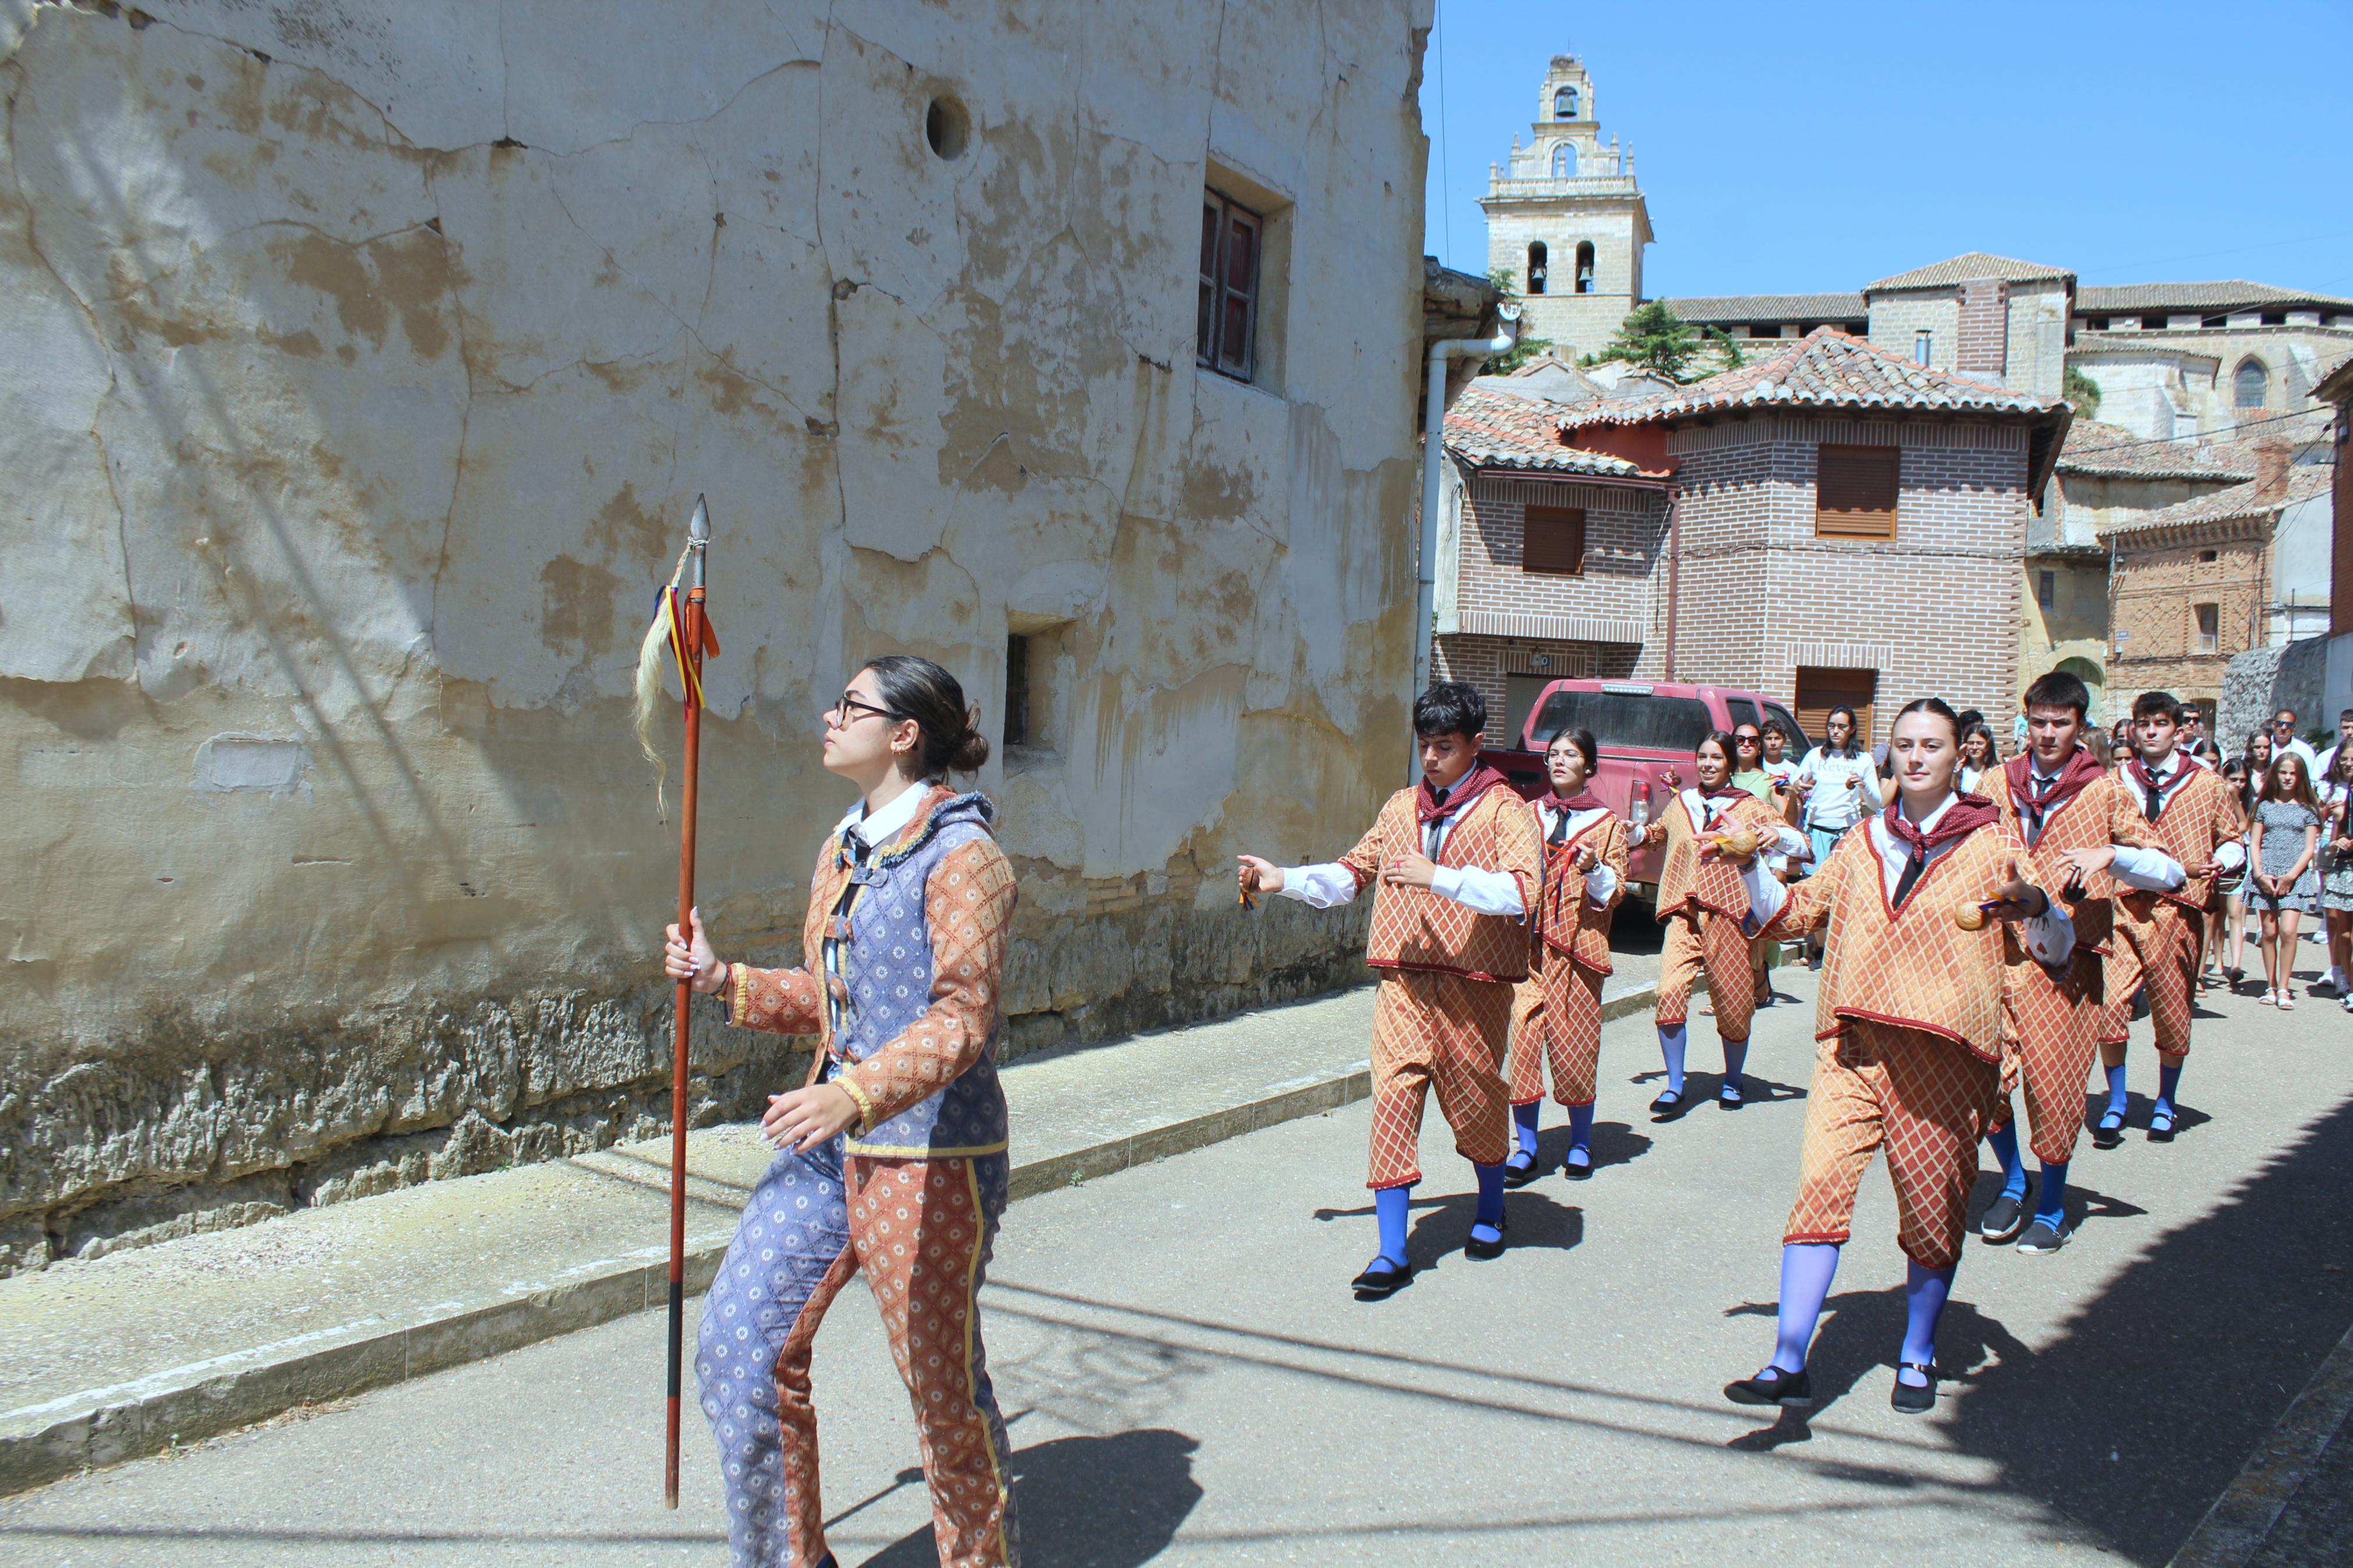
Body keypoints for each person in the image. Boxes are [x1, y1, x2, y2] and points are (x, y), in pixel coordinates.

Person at [665, 655, 1018, 1568]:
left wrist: (851, 1091)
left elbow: (960, 1017)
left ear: (904, 734)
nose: (829, 716)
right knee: (739, 1350)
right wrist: (724, 980)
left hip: (932, 1153)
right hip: (830, 1148)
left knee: (941, 1394)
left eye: (850, 705)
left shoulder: (964, 856)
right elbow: (839, 999)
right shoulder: (844, 845)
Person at [1722, 698, 2072, 1415]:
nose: (1914, 756)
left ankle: (1916, 1349)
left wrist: (2037, 905)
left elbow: (2053, 949)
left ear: (1958, 757)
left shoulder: (1993, 844)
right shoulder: (1858, 841)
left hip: (1943, 1057)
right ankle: (1787, 1358)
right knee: (1819, 1184)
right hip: (1852, 1046)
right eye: (1904, 744)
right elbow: (1790, 916)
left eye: (1931, 745)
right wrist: (1748, 862)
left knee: (1931, 1207)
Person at [1237, 682, 1542, 1297]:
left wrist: (1442, 878)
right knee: (1392, 1102)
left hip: (1473, 986)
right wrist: (1283, 879)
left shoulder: (1505, 807)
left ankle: (1489, 1208)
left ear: (1475, 745)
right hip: (1402, 982)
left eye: (1445, 747)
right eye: (1424, 746)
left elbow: (1521, 892)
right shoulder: (1400, 807)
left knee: (1478, 1103)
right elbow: (1353, 874)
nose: (1430, 758)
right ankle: (1391, 1252)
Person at [1976, 671, 2181, 1256]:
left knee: (2054, 1090)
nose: (2046, 733)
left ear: (2078, 726)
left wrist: (2111, 855)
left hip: (2067, 971)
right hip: (1996, 956)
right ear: (2025, 721)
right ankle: (2013, 1179)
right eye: (2037, 721)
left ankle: (2051, 1207)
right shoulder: (1994, 783)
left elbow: (2166, 870)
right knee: (1983, 1079)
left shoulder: (2105, 790)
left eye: (2059, 723)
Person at [2098, 692, 2247, 1146]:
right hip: (2121, 907)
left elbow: (2233, 838)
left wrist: (2222, 859)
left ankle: (2165, 1101)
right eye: (2143, 723)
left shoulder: (2206, 782)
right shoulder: (2114, 782)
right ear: (2131, 729)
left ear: (2177, 730)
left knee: (2172, 1010)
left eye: (2160, 723)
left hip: (2178, 910)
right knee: (2108, 1008)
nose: (2150, 731)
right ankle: (2117, 1100)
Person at [1636, 732, 1804, 1115]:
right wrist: (1635, 833)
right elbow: (1659, 834)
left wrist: (1771, 834)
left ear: (1729, 762)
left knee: (1733, 1003)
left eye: (1715, 757)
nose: (1707, 764)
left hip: (1728, 914)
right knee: (1669, 991)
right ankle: (1674, 1084)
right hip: (1684, 912)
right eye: (1702, 756)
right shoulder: (1682, 803)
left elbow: (1802, 842)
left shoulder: (1748, 806)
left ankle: (1731, 1080)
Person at [1504, 727, 1630, 1185]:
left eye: (1570, 754)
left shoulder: (1607, 824)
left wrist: (1593, 867)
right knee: (1521, 1040)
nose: (1558, 761)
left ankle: (1579, 1142)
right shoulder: (1526, 814)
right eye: (1553, 753)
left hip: (1578, 950)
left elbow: (1615, 891)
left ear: (1589, 766)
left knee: (1574, 1048)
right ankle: (1526, 1147)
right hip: (1528, 951)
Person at [1790, 706, 1884, 966]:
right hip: (1817, 830)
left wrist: (1862, 787)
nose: (1836, 731)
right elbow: (1795, 780)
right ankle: (1819, 949)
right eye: (1832, 725)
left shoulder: (1862, 760)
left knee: (1843, 893)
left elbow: (1877, 804)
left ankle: (1838, 948)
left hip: (1845, 835)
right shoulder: (1815, 756)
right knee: (1818, 891)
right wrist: (1798, 785)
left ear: (1852, 729)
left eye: (1842, 726)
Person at [2249, 752, 2322, 1009]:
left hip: (2294, 875)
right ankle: (2270, 985)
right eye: (2283, 772)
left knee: (2289, 931)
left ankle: (2284, 987)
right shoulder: (2264, 806)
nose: (2287, 778)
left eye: (2292, 773)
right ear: (2275, 775)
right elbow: (2255, 843)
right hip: (2266, 875)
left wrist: (2292, 875)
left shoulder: (2308, 810)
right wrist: (2259, 873)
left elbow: (2309, 848)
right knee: (2269, 932)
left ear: (2300, 776)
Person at [2220, 743, 2266, 988]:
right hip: (2216, 860)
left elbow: (2243, 828)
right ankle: (2215, 963)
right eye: (2233, 779)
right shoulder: (2213, 798)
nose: (2238, 784)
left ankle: (2235, 965)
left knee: (2235, 913)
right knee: (2213, 919)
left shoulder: (2251, 802)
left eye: (2242, 780)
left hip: (2241, 860)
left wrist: (2236, 802)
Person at [2318, 746, 2353, 1009]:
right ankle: (2343, 975)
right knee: (2341, 929)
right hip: (2344, 865)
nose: (2349, 763)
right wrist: (2337, 839)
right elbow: (2335, 834)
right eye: (2345, 759)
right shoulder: (2337, 789)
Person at [2271, 707, 2320, 777]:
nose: (2284, 728)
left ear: (2294, 728)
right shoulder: (2264, 747)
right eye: (2280, 723)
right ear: (2273, 725)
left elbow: (2311, 780)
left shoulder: (2305, 751)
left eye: (2289, 725)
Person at [1958, 723, 1999, 796]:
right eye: (1971, 743)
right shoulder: (1961, 771)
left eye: (1980, 743)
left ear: (1988, 745)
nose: (1975, 747)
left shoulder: (1995, 772)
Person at [2313, 707, 2353, 782]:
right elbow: (2313, 786)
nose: (2350, 732)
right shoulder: (2325, 758)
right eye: (2346, 728)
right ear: (2340, 728)